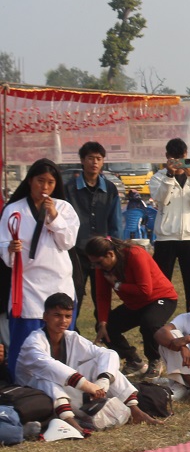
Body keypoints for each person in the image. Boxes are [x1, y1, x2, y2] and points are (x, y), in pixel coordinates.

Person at [18, 293, 156, 434]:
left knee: (103, 363)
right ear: (45, 316)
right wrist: (88, 386)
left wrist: (103, 381)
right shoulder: (33, 342)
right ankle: (71, 423)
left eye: (67, 316)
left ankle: (135, 411)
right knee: (47, 379)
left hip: (68, 389)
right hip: (36, 391)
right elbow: (50, 367)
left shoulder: (72, 337)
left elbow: (106, 354)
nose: (63, 321)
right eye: (57, 315)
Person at [2, 159, 79, 383]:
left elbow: (68, 242)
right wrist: (9, 248)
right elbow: (2, 243)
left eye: (50, 182)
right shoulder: (13, 210)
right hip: (27, 284)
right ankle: (23, 386)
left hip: (58, 281)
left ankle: (62, 382)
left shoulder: (63, 208)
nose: (44, 187)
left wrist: (54, 216)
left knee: (59, 339)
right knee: (25, 341)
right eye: (40, 181)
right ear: (30, 181)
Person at [86, 235, 179, 379]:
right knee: (106, 328)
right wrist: (103, 322)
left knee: (149, 323)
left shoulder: (135, 254)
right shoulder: (102, 268)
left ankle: (155, 360)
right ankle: (133, 361)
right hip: (135, 304)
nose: (97, 267)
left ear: (110, 254)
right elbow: (102, 296)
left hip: (161, 298)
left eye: (98, 263)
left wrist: (118, 285)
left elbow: (145, 290)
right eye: (93, 264)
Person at [148, 137, 190, 305]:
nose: (178, 162)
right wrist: (169, 176)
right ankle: (158, 313)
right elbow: (162, 199)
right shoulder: (158, 177)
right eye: (174, 158)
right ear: (167, 157)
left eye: (181, 157)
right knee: (160, 283)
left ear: (186, 155)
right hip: (165, 238)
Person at [68, 141, 123, 322]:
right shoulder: (69, 189)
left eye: (99, 158)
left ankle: (104, 331)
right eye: (90, 158)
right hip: (77, 253)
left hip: (102, 254)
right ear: (82, 160)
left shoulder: (110, 189)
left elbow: (115, 223)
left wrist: (116, 250)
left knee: (102, 298)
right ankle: (69, 331)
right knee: (73, 295)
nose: (95, 162)